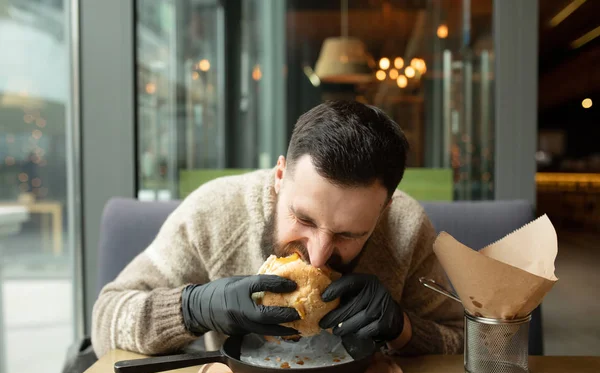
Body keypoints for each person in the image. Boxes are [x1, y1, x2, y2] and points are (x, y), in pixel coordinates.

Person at [91, 100, 463, 358]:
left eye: (348, 234)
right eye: (303, 219)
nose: (317, 254)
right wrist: (193, 308)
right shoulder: (215, 212)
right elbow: (105, 324)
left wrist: (401, 328)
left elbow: (471, 344)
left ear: (384, 211)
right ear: (280, 177)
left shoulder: (407, 229)